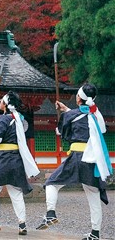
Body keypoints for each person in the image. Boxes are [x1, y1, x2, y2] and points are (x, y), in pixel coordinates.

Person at [36, 84, 112, 240]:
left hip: (77, 156)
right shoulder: (96, 115)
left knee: (52, 183)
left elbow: (61, 132)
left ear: (78, 98)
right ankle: (95, 233)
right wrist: (66, 110)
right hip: (91, 159)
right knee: (93, 195)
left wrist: (64, 115)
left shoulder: (72, 115)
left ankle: (50, 213)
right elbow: (98, 126)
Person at [0, 90, 40, 236]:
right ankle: (22, 224)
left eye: (1, 100)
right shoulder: (17, 118)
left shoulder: (3, 119)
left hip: (3, 159)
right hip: (16, 159)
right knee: (15, 193)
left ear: (5, 104)